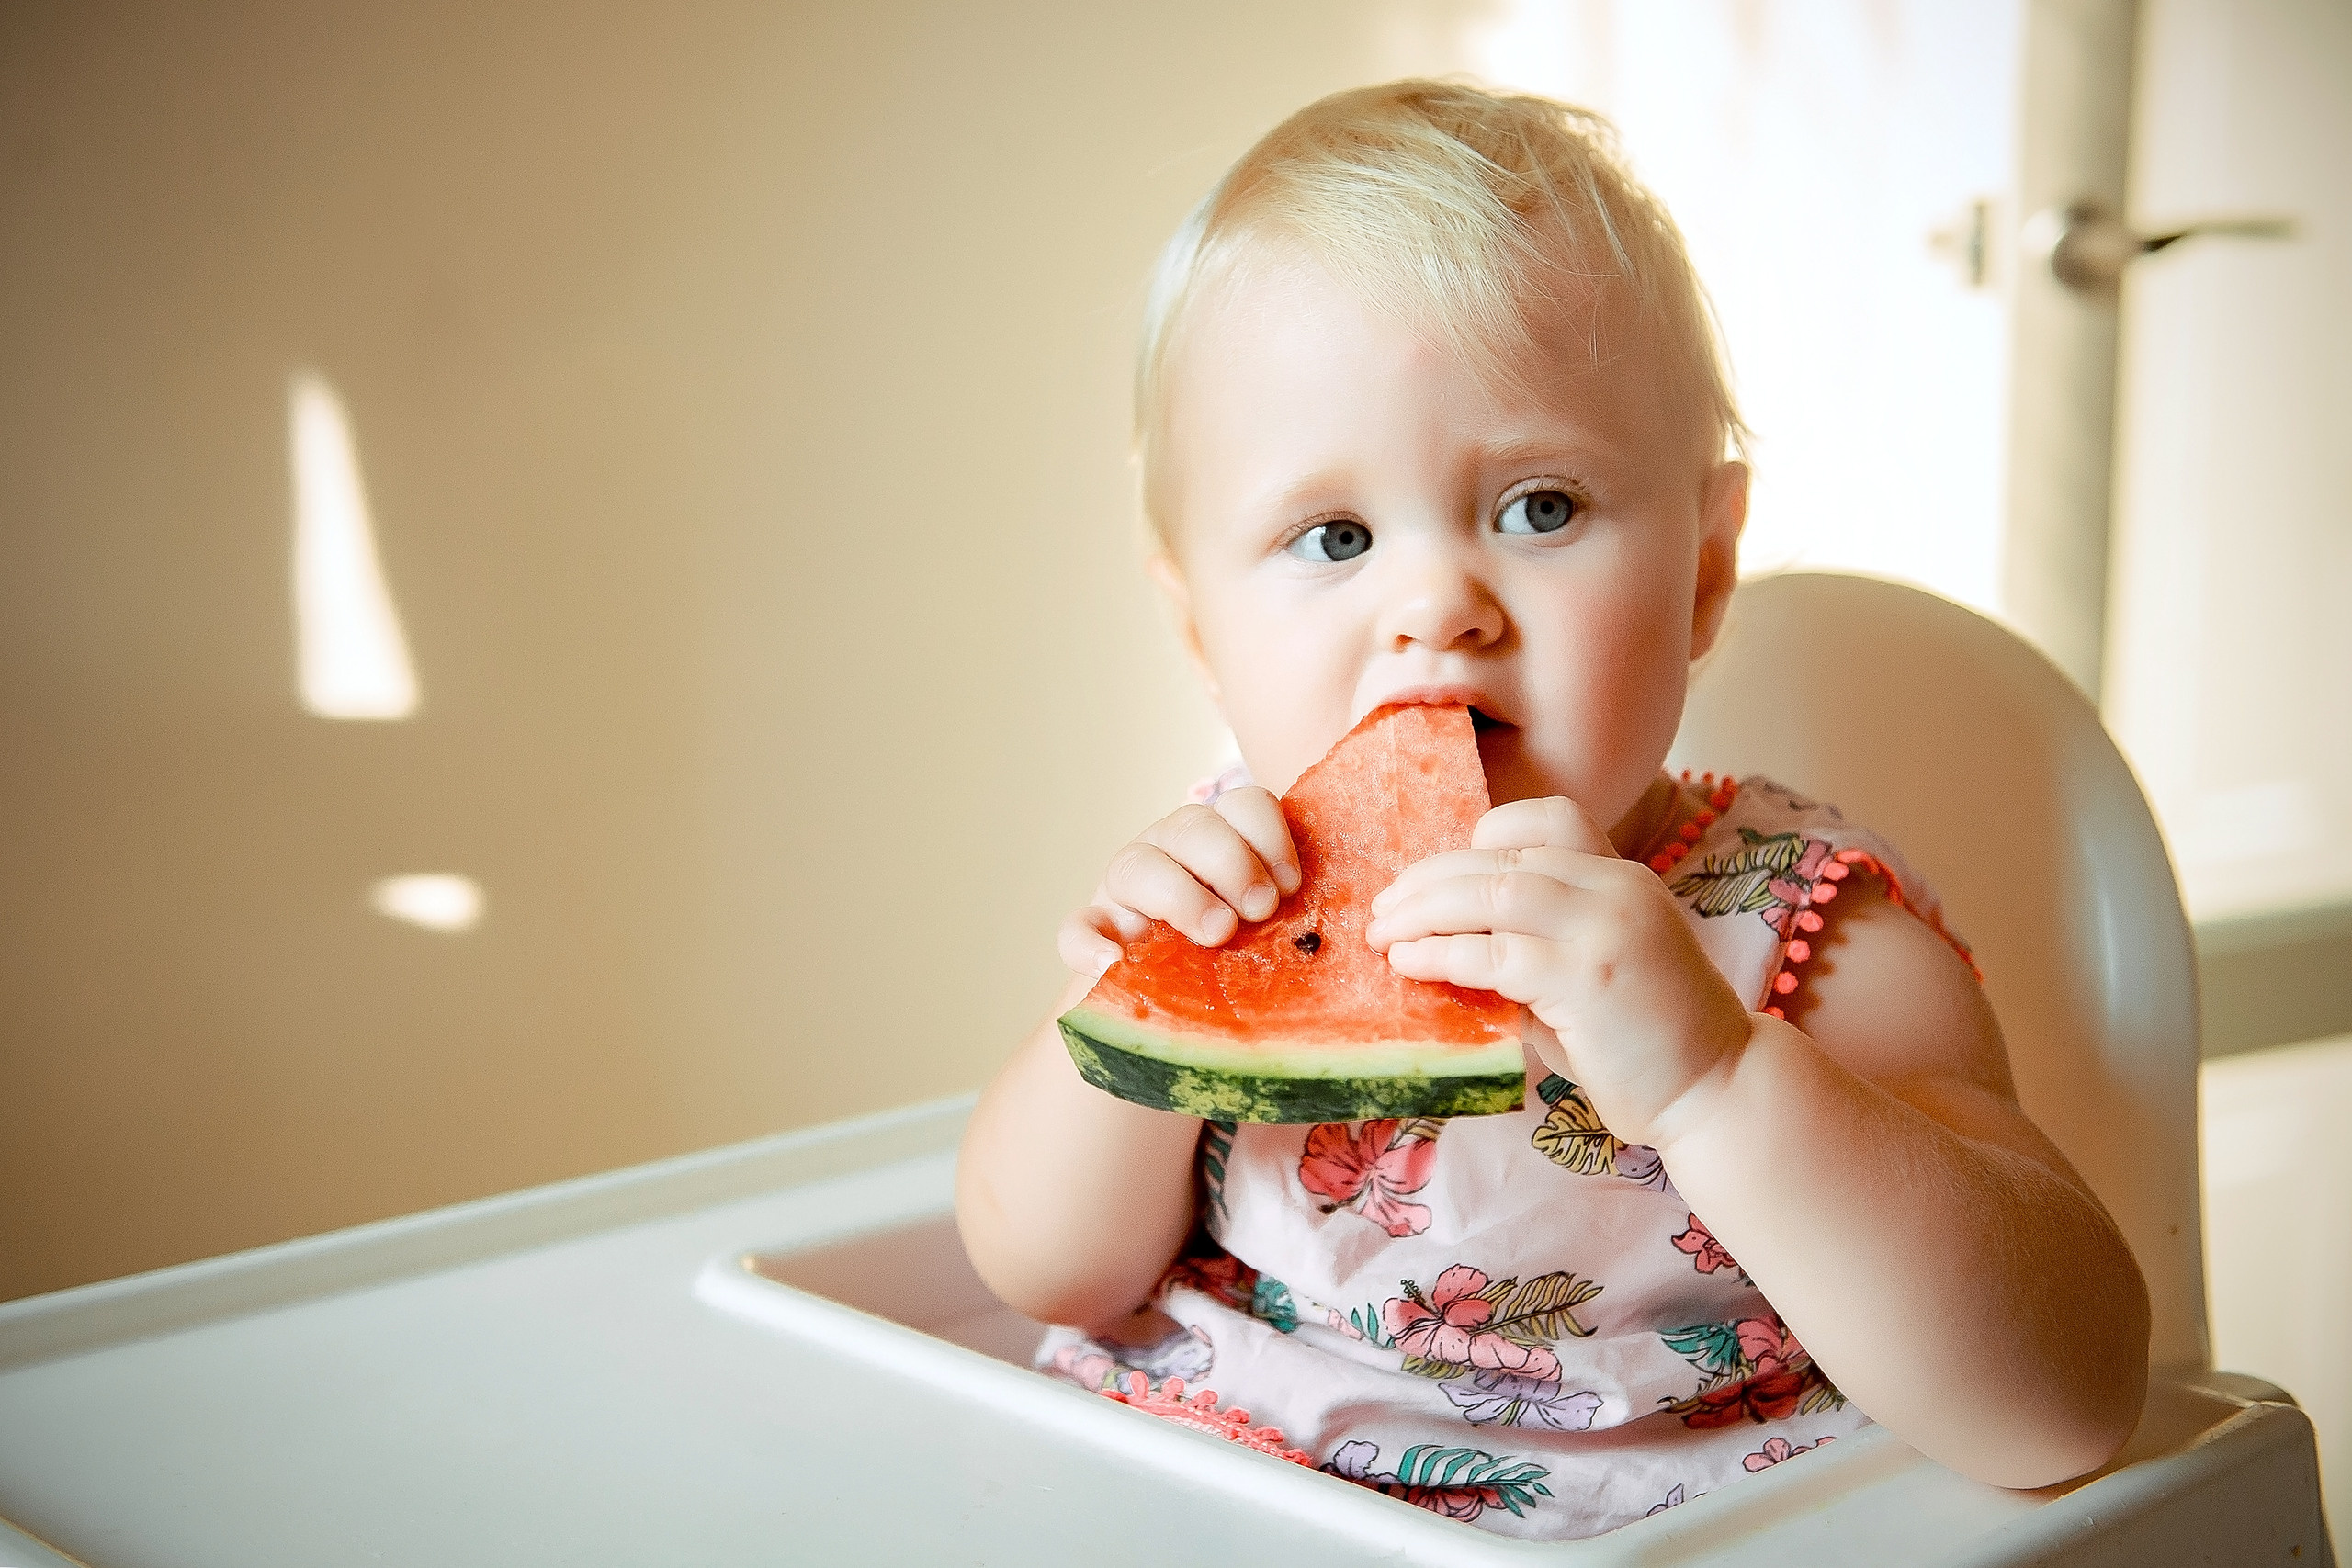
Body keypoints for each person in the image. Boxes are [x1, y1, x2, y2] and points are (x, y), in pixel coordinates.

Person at [955, 80, 2149, 1540]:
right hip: (1192, 1501)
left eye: (1540, 508)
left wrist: (1715, 1081)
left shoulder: (1808, 938)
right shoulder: (1229, 891)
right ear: (1202, 630)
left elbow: (2062, 1401)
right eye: (1335, 536)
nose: (1435, 606)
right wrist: (1126, 1035)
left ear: (1703, 571)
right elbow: (1042, 1270)